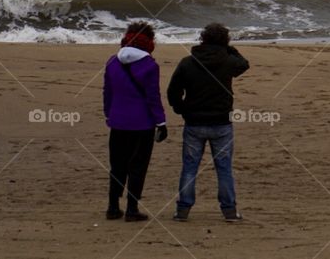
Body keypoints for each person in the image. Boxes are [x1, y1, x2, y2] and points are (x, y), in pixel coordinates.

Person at [167, 23, 250, 222]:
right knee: (223, 168)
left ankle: (183, 210)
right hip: (221, 123)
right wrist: (228, 48)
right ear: (224, 41)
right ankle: (229, 210)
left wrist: (181, 109)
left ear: (203, 38)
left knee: (189, 167)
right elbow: (244, 63)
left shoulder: (188, 62)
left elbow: (173, 91)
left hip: (194, 122)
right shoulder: (228, 61)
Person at [103, 22, 169, 222]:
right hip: (143, 123)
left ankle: (113, 207)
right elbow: (152, 97)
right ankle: (132, 208)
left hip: (118, 121)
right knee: (138, 166)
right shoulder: (150, 65)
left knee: (117, 165)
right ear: (149, 42)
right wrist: (161, 122)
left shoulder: (112, 62)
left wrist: (109, 114)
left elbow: (108, 92)